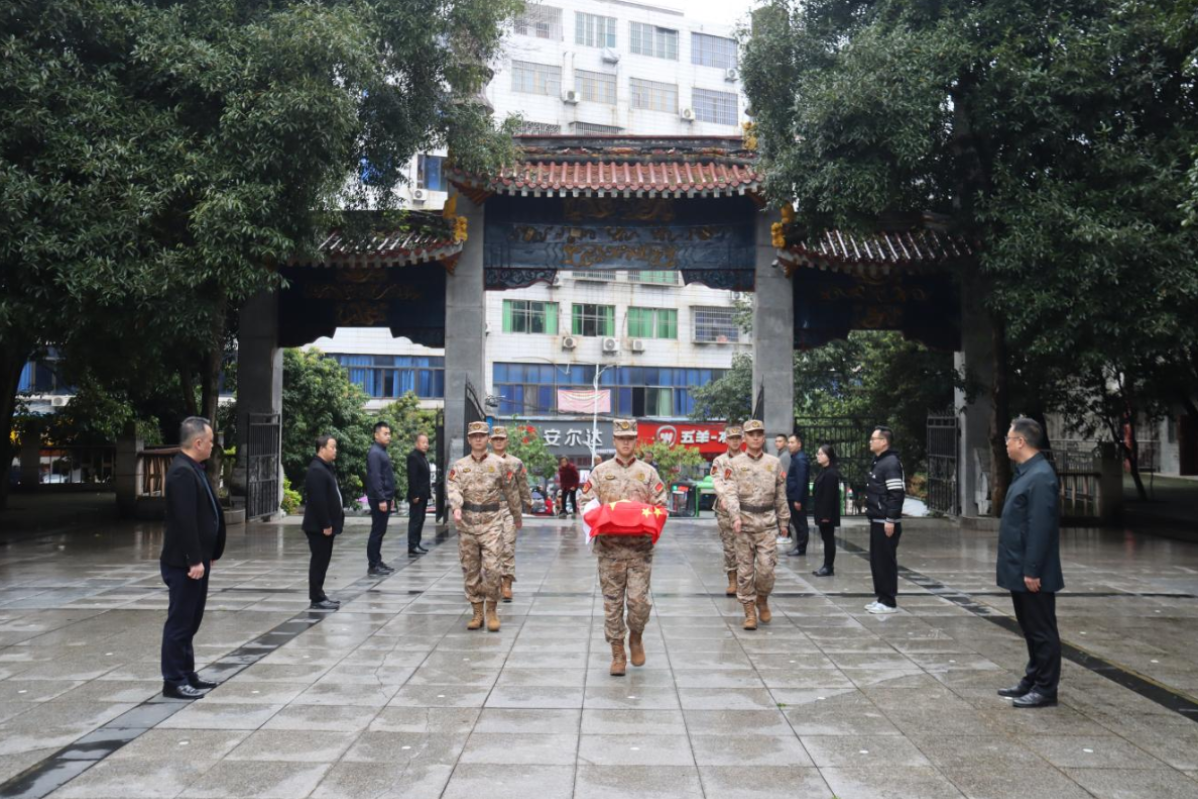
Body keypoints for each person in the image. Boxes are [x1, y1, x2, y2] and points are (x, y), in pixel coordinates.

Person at [580, 419, 668, 676]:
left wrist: (639, 514)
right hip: (609, 551)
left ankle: (636, 636)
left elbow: (661, 505)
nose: (626, 442)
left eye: (630, 437)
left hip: (639, 551)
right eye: (621, 438)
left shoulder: (648, 473)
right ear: (614, 441)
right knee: (612, 605)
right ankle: (617, 653)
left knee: (639, 603)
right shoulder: (600, 472)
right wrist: (607, 515)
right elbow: (585, 503)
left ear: (636, 440)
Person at [997, 417, 1063, 708]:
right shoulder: (1027, 472)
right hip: (1020, 567)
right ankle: (1032, 679)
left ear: (1021, 442)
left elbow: (1041, 527)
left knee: (1042, 630)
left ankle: (1046, 689)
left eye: (1009, 439)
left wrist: (1032, 570)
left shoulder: (1041, 477)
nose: (1007, 445)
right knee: (1030, 628)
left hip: (1033, 572)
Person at [159, 416, 226, 699]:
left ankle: (188, 674)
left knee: (191, 620)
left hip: (199, 559)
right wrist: (194, 559)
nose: (213, 446)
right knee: (180, 622)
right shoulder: (181, 473)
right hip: (185, 563)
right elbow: (185, 521)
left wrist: (207, 554)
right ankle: (173, 680)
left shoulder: (193, 468)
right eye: (210, 441)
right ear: (198, 442)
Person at [446, 421, 523, 632]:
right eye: (474, 436)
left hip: (492, 522)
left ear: (487, 439)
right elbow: (453, 488)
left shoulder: (499, 463)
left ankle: (491, 609)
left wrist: (517, 515)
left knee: (492, 568)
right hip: (468, 523)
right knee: (470, 569)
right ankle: (477, 610)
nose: (478, 439)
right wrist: (456, 507)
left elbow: (510, 491)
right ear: (470, 439)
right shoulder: (460, 466)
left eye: (482, 435)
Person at [716, 419, 790, 630]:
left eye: (759, 434)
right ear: (745, 438)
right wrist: (735, 517)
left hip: (767, 524)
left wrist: (784, 520)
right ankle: (749, 611)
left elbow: (781, 495)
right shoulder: (734, 464)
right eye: (751, 434)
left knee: (766, 570)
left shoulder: (774, 463)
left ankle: (763, 598)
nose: (756, 437)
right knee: (745, 573)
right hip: (744, 525)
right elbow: (730, 493)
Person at [302, 434, 344, 610]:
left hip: (325, 526)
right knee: (319, 561)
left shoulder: (325, 467)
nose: (335, 451)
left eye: (335, 447)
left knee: (323, 560)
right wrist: (326, 524)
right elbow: (318, 501)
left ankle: (320, 594)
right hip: (319, 527)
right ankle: (316, 597)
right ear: (321, 448)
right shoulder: (317, 470)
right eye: (332, 447)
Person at [865, 426, 905, 614]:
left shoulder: (890, 463)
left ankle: (889, 601)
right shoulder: (879, 461)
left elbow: (896, 494)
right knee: (877, 561)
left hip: (885, 522)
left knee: (885, 562)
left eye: (874, 439)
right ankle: (881, 597)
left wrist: (891, 519)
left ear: (884, 442)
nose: (870, 441)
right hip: (877, 520)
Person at [490, 426, 532, 602]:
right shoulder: (483, 461)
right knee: (491, 549)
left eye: (502, 438)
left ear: (507, 441)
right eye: (496, 439)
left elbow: (522, 484)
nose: (499, 441)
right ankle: (492, 583)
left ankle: (506, 583)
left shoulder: (516, 463)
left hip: (508, 508)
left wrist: (527, 502)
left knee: (508, 545)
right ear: (491, 441)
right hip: (488, 509)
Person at [709, 425, 744, 596]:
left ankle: (745, 579)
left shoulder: (748, 459)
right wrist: (723, 497)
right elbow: (716, 480)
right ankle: (732, 579)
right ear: (726, 440)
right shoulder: (720, 461)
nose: (735, 441)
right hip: (725, 511)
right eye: (732, 438)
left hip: (745, 509)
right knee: (729, 546)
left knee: (745, 546)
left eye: (738, 438)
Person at [365, 421, 396, 576]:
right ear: (376, 435)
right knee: (377, 531)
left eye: (389, 433)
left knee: (380, 530)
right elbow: (375, 478)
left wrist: (390, 497)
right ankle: (373, 564)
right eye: (385, 433)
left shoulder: (381, 451)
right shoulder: (375, 453)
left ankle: (377, 560)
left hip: (385, 496)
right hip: (379, 499)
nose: (388, 436)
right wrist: (382, 499)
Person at [811, 444, 841, 577]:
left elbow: (829, 496)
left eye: (821, 454)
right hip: (823, 512)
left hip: (827, 514)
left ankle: (828, 567)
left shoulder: (831, 473)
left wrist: (826, 515)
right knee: (826, 538)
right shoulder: (824, 470)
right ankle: (826, 565)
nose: (818, 456)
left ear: (829, 456)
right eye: (818, 453)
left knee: (829, 539)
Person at [406, 432, 432, 557]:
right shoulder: (413, 457)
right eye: (423, 442)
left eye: (427, 442)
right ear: (417, 443)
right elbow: (412, 477)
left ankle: (417, 543)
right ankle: (412, 546)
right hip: (417, 496)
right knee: (415, 520)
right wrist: (414, 495)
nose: (425, 445)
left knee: (421, 519)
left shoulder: (422, 456)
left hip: (423, 495)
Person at [785, 432, 810, 556]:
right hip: (794, 496)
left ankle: (801, 548)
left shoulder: (800, 459)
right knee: (796, 522)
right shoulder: (796, 457)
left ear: (799, 444)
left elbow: (801, 480)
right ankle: (800, 546)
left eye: (792, 442)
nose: (789, 445)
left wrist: (798, 499)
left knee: (800, 523)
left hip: (796, 497)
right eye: (788, 442)